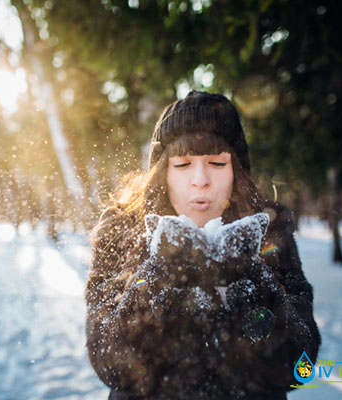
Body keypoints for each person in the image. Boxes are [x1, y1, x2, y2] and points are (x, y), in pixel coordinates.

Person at [85, 91, 321, 400]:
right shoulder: (122, 234)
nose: (200, 179)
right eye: (182, 165)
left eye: (216, 162)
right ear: (162, 174)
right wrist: (148, 295)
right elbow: (110, 365)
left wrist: (261, 303)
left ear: (236, 171)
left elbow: (299, 369)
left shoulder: (268, 235)